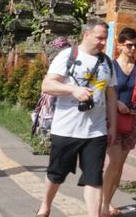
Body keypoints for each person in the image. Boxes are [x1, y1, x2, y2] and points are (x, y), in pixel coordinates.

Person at [36, 18, 117, 217]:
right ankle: (45, 206)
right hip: (66, 129)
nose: (102, 42)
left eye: (105, 39)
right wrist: (73, 89)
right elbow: (47, 85)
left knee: (94, 178)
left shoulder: (107, 62)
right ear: (86, 34)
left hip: (96, 130)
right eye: (99, 38)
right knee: (56, 174)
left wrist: (112, 126)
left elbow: (112, 94)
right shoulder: (67, 55)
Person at [102, 27, 136, 217]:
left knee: (120, 164)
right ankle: (102, 204)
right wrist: (117, 103)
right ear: (120, 46)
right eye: (129, 45)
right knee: (114, 161)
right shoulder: (110, 66)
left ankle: (108, 202)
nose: (133, 49)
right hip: (111, 117)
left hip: (131, 120)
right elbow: (102, 92)